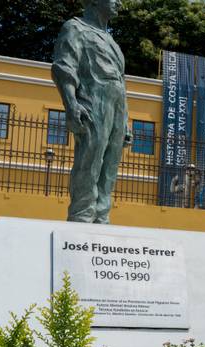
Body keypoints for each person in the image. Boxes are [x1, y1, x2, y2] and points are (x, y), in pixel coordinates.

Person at [52, 0, 131, 224]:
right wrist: (71, 104)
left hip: (116, 104)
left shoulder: (111, 40)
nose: (119, 3)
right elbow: (64, 67)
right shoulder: (75, 27)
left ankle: (101, 218)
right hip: (92, 100)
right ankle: (82, 216)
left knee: (110, 166)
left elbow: (121, 80)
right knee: (90, 160)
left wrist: (124, 119)